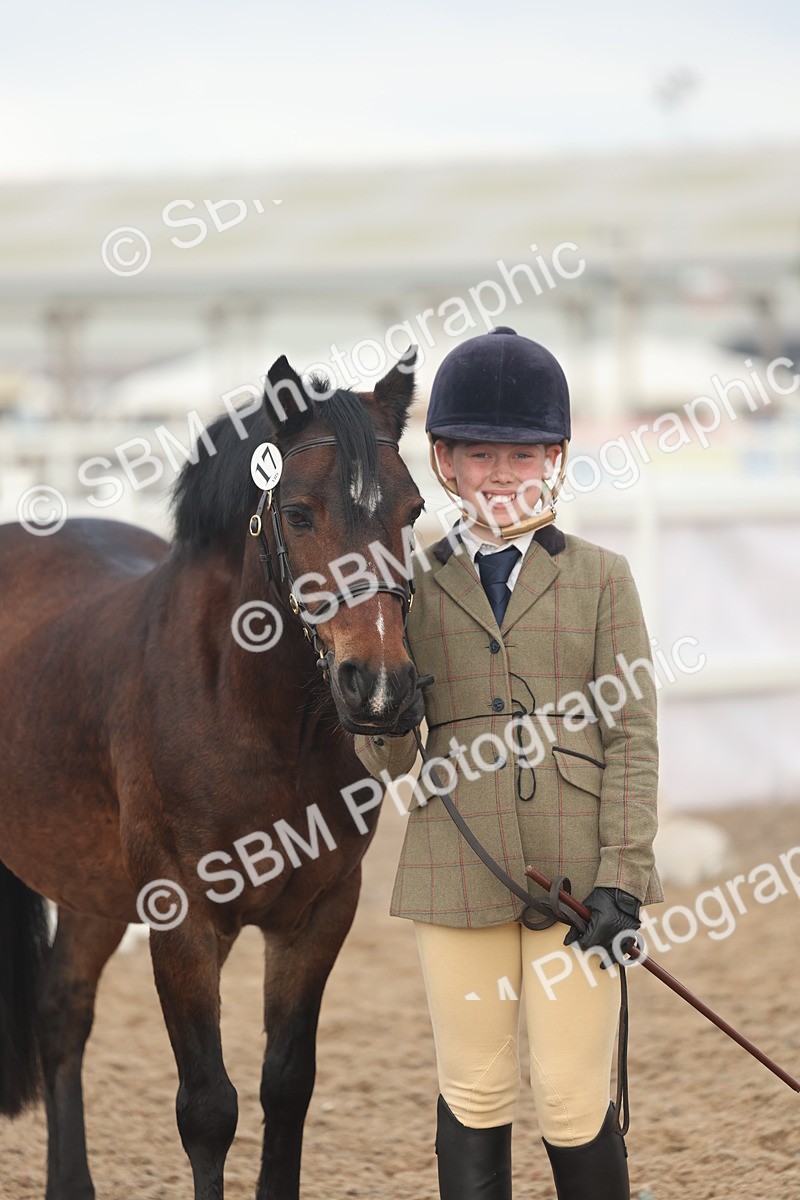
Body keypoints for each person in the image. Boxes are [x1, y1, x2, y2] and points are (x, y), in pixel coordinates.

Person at [353, 326, 663, 1200]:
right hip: (457, 870)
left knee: (570, 1100)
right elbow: (391, 757)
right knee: (475, 1090)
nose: (500, 474)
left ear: (555, 458)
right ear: (444, 463)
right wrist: (381, 711)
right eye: (478, 454)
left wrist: (624, 880)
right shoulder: (405, 578)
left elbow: (633, 737)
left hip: (578, 880)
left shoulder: (603, 579)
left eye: (521, 454)